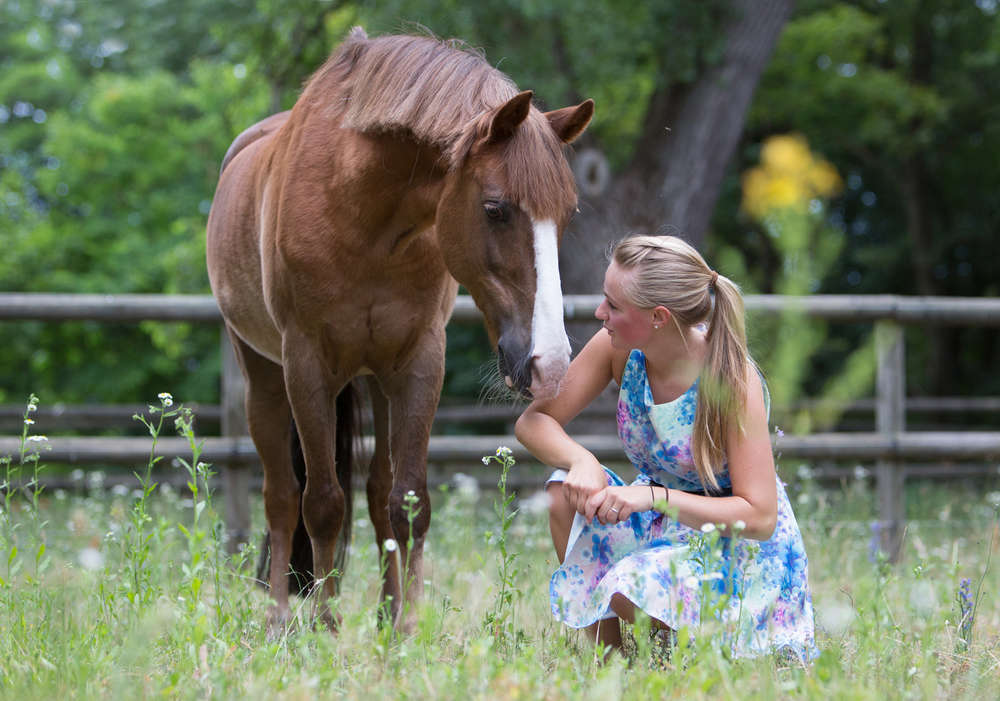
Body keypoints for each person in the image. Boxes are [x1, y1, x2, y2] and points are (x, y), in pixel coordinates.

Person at [515, 234, 817, 661]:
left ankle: (689, 652)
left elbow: (760, 517)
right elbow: (534, 421)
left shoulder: (731, 379)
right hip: (658, 520)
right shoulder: (618, 351)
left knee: (629, 588)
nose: (600, 313)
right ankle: (613, 665)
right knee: (562, 490)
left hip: (730, 544)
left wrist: (655, 498)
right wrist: (580, 459)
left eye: (614, 306)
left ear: (658, 317)